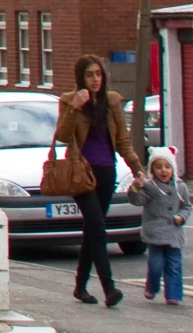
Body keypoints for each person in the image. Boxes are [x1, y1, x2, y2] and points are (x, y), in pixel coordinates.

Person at [56, 53, 145, 306]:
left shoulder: (113, 101)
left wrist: (137, 168)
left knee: (92, 230)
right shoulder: (68, 101)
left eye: (98, 74)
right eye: (90, 74)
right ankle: (109, 288)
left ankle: (80, 286)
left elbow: (123, 142)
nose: (95, 79)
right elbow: (62, 136)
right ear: (80, 78)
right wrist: (75, 107)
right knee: (97, 227)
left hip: (107, 172)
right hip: (81, 173)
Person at [127, 146, 191, 305]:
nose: (163, 171)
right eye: (158, 167)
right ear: (152, 170)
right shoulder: (149, 187)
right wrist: (135, 187)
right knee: (156, 265)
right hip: (155, 234)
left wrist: (181, 217)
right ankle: (152, 286)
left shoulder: (180, 187)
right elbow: (137, 201)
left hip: (174, 235)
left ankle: (173, 295)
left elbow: (187, 206)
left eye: (167, 167)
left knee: (174, 266)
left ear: (173, 168)